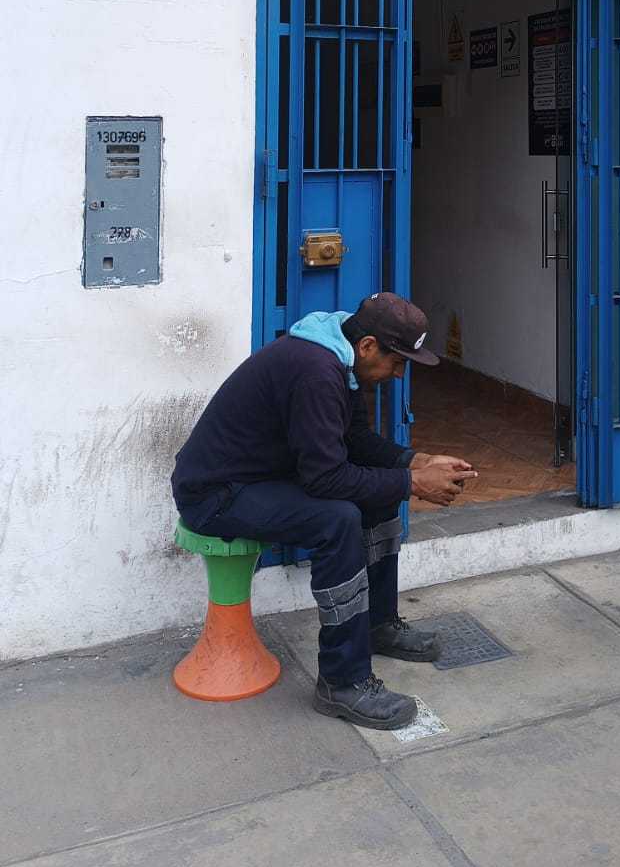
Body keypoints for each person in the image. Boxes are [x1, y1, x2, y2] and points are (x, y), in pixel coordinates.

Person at [172, 292, 475, 730]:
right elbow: (325, 480)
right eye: (397, 362)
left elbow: (355, 443)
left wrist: (416, 461)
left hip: (260, 478)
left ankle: (377, 625)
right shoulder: (317, 372)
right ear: (368, 346)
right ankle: (342, 682)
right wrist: (413, 484)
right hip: (216, 494)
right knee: (337, 520)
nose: (398, 374)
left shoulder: (340, 359)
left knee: (379, 493)